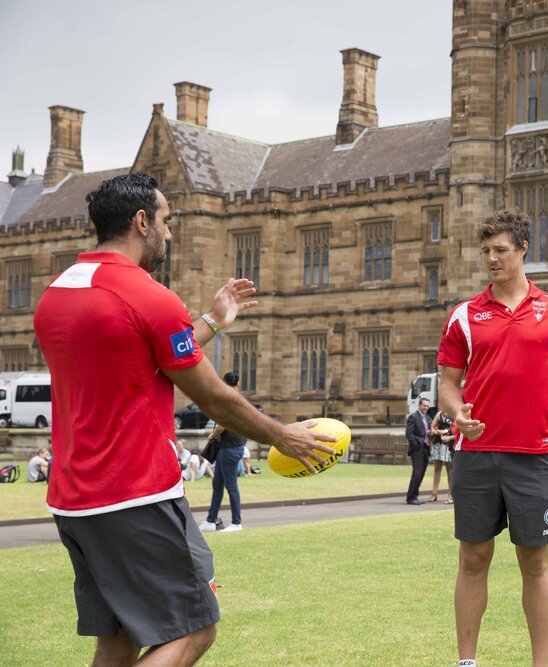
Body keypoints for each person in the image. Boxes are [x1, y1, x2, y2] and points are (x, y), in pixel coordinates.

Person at [33, 172, 337, 667]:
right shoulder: (148, 294)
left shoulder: (58, 292)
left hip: (73, 499)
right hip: (135, 495)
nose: (170, 234)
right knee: (194, 629)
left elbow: (146, 355)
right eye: (166, 221)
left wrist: (212, 321)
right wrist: (283, 435)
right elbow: (213, 397)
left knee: (119, 639)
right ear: (141, 221)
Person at [437, 209, 548, 667]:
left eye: (500, 250)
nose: (492, 258)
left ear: (523, 249)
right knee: (472, 559)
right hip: (476, 455)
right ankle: (467, 662)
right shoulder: (463, 315)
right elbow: (447, 383)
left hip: (538, 456)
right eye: (486, 251)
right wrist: (456, 412)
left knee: (535, 563)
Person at [200, 372, 248, 532]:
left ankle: (236, 523)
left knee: (230, 485)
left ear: (224, 382)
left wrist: (212, 436)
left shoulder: (229, 399)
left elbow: (222, 425)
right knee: (217, 484)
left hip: (230, 447)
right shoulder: (240, 399)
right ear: (238, 382)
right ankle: (210, 521)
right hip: (230, 446)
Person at [404, 397, 432, 505]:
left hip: (426, 448)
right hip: (417, 449)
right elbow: (409, 433)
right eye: (424, 405)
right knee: (417, 472)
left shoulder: (428, 418)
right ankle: (411, 497)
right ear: (419, 405)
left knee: (421, 473)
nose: (426, 408)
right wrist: (415, 445)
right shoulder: (413, 417)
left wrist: (430, 433)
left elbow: (428, 431)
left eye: (427, 406)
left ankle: (414, 496)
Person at [429, 409, 455, 503]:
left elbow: (456, 429)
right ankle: (434, 494)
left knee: (449, 470)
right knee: (437, 469)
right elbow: (432, 427)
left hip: (448, 445)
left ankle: (450, 495)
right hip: (438, 444)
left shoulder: (453, 413)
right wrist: (436, 431)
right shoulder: (439, 414)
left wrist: (446, 431)